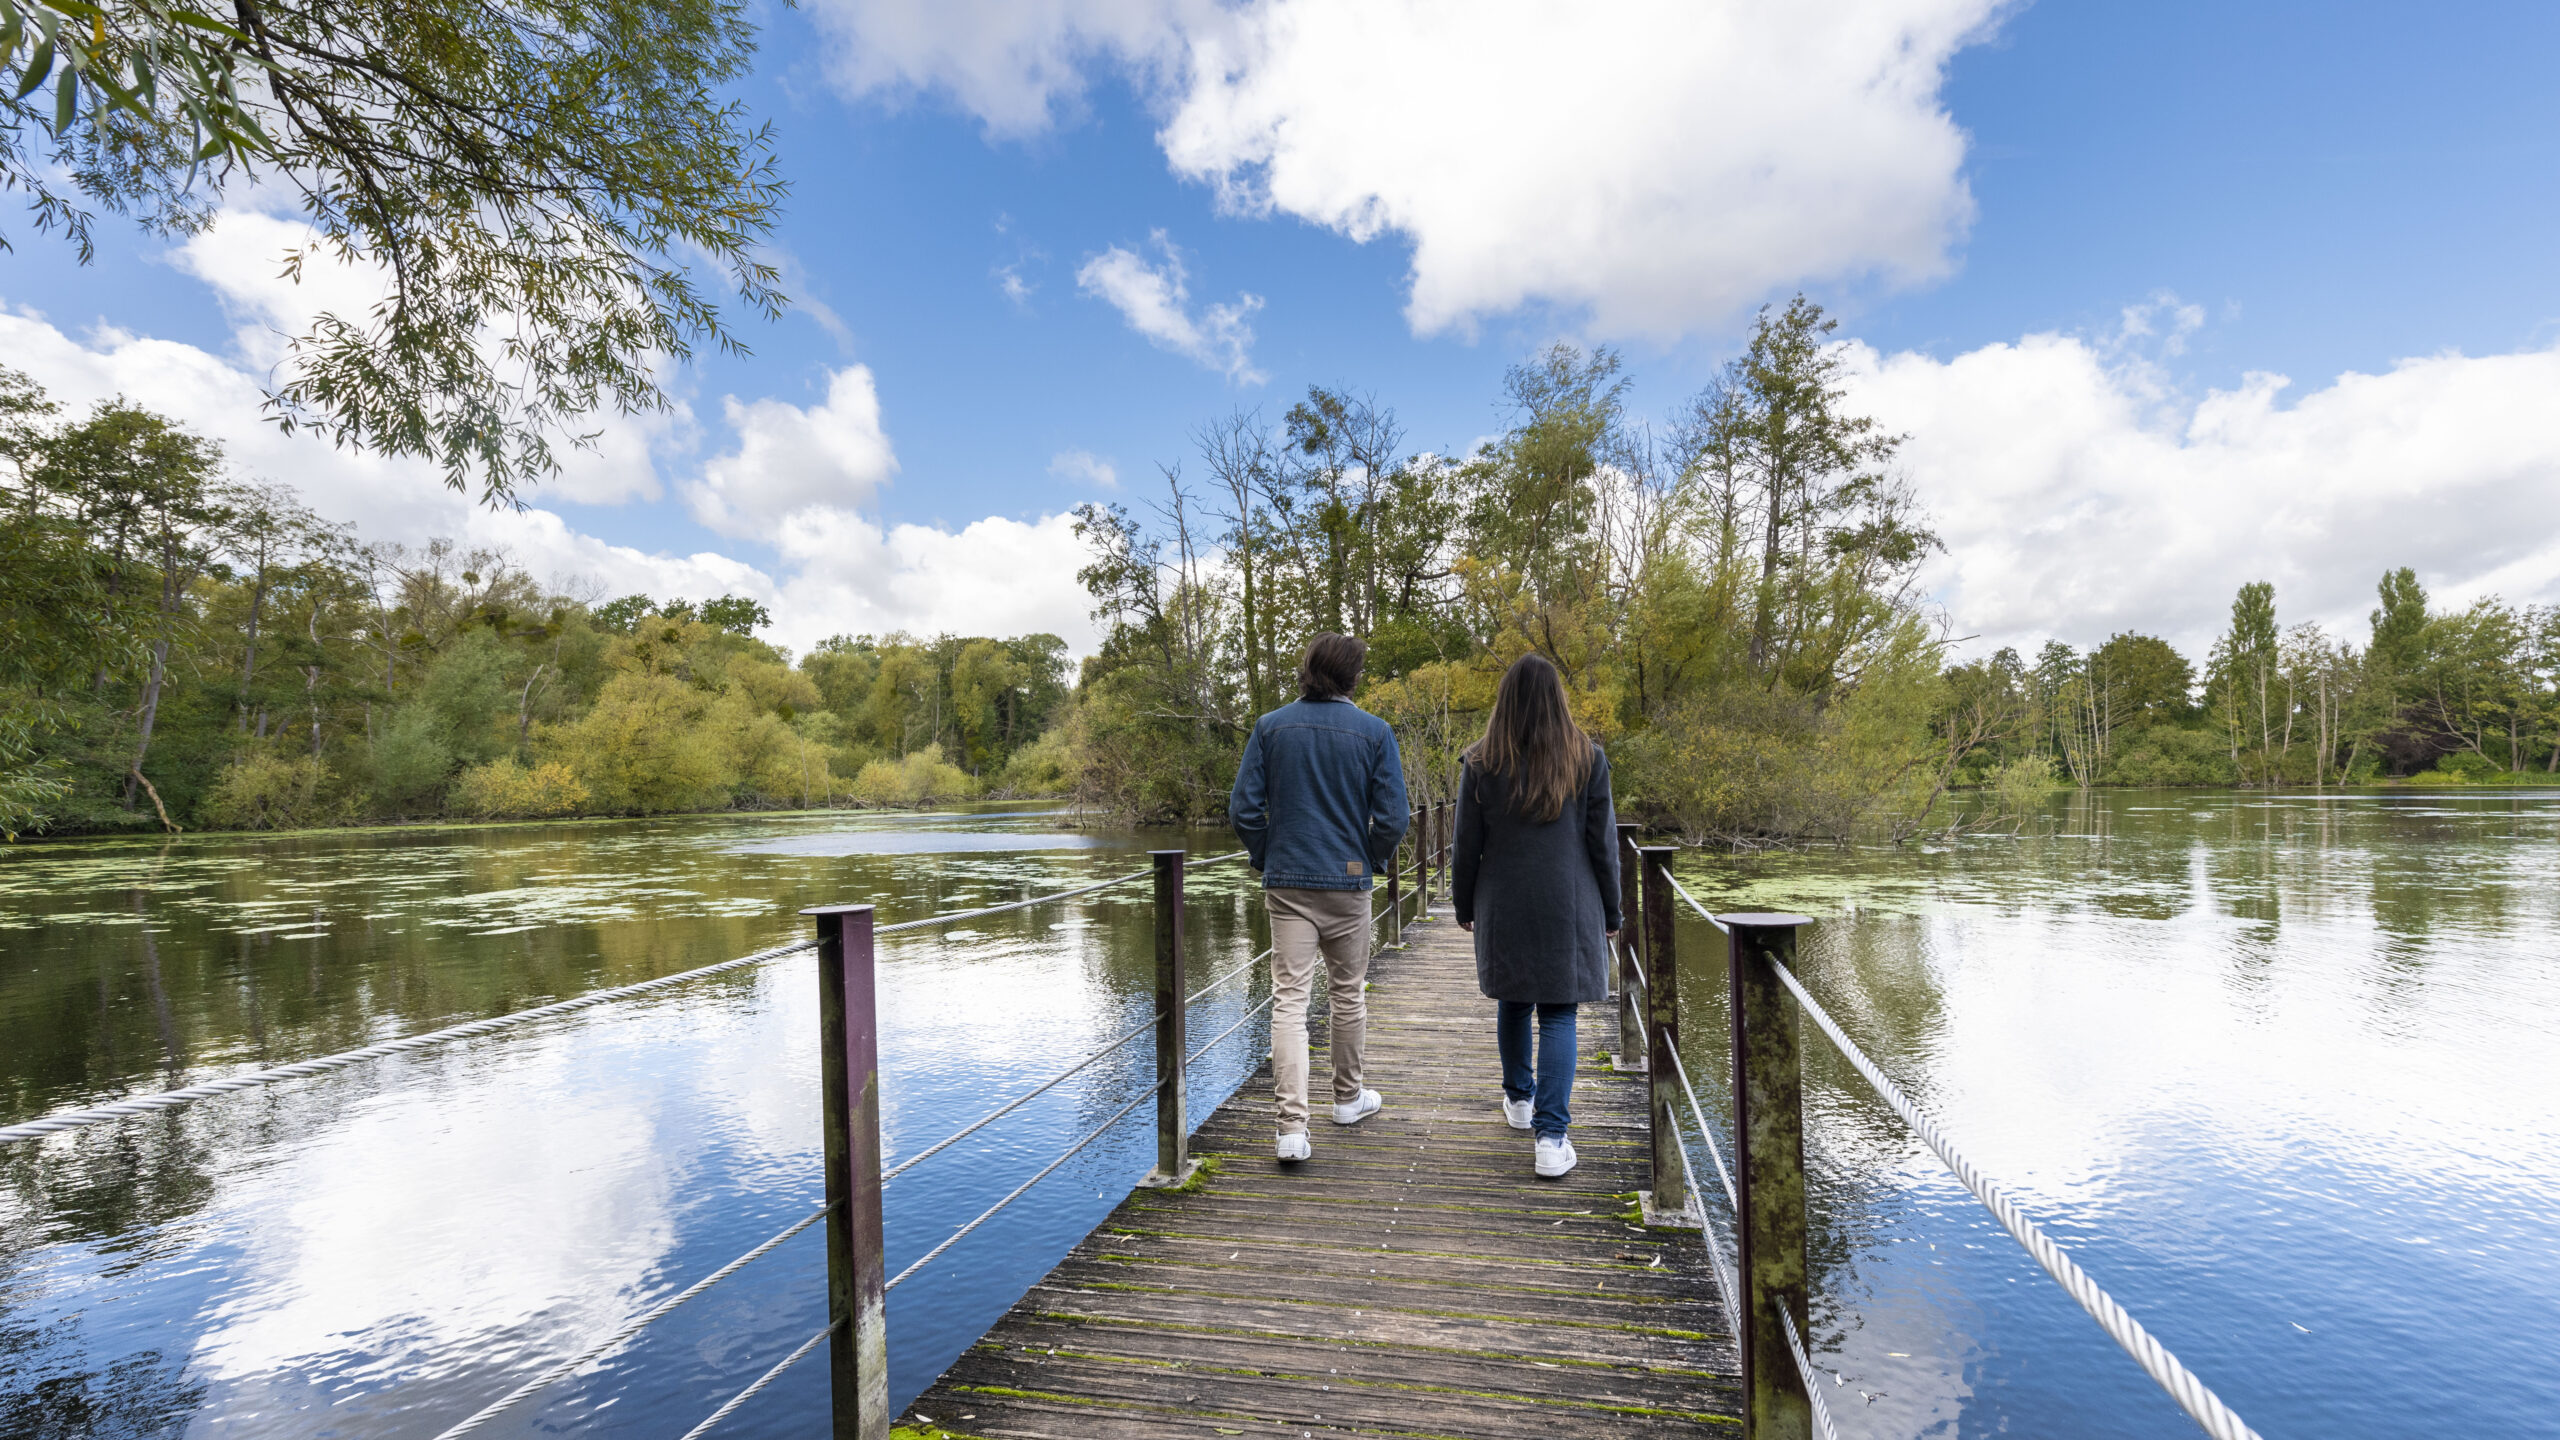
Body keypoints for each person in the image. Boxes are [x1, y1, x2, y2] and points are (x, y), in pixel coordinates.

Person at [1229, 634, 1411, 1163]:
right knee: (1347, 993)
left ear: (1309, 671)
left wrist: (1271, 854)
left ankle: (1291, 1129)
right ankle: (1349, 1100)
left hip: (1288, 885)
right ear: (1352, 678)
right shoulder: (1375, 732)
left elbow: (1244, 811)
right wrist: (1369, 857)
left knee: (1290, 1000)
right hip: (1348, 881)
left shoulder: (1270, 727)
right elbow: (1395, 818)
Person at [1450, 653, 1620, 1179]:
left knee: (1515, 1000)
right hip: (1567, 904)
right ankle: (1551, 1138)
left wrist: (1462, 904)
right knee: (1560, 1013)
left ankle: (1519, 1102)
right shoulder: (1587, 758)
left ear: (1505, 700)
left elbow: (1465, 846)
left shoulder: (1481, 761)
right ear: (1558, 700)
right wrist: (1612, 911)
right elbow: (1603, 845)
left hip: (1504, 902)